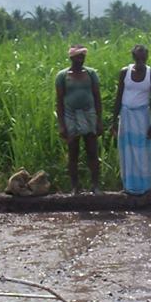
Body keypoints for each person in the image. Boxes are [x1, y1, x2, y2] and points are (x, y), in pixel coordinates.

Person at [55, 45, 103, 194]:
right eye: (78, 57)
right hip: (70, 115)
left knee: (92, 151)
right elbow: (59, 101)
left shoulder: (91, 74)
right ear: (71, 58)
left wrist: (99, 121)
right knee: (73, 151)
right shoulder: (62, 76)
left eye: (83, 57)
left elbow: (97, 97)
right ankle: (75, 186)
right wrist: (62, 125)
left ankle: (95, 185)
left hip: (89, 114)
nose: (81, 60)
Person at [111, 44, 151, 195]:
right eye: (137, 58)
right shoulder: (125, 72)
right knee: (126, 151)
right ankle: (128, 186)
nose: (140, 61)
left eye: (143, 58)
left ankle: (144, 186)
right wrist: (113, 120)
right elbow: (119, 97)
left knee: (142, 152)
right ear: (133, 57)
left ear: (146, 58)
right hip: (126, 117)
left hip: (142, 117)